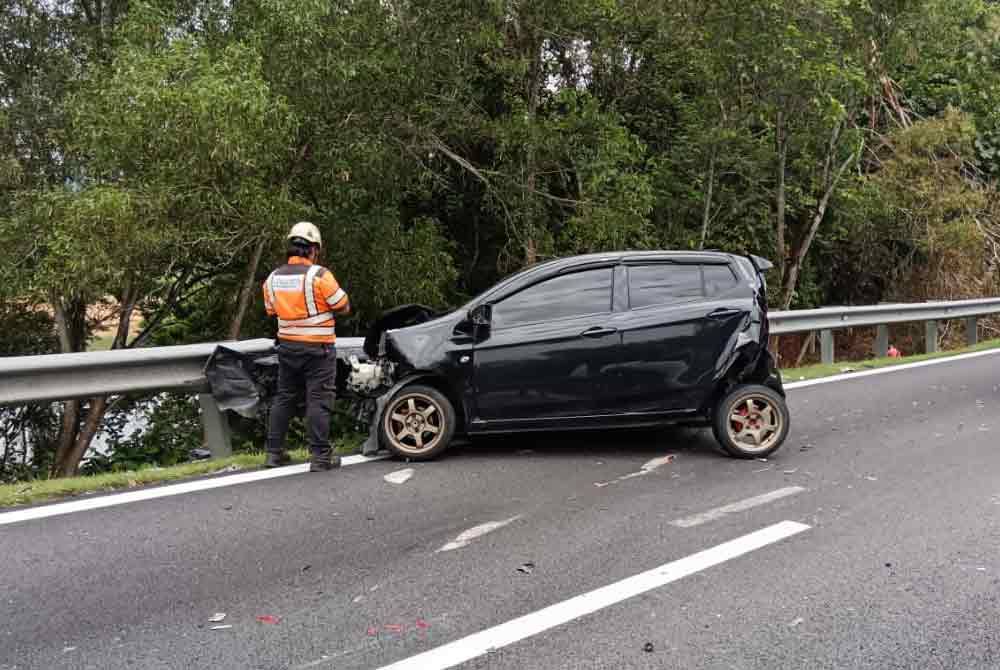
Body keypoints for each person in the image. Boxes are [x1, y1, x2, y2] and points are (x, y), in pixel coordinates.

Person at [262, 222, 351, 471]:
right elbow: (343, 305)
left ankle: (274, 453)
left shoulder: (272, 279)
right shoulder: (320, 276)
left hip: (288, 348)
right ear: (313, 250)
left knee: (284, 397)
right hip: (318, 350)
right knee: (318, 400)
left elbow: (271, 310)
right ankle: (321, 456)